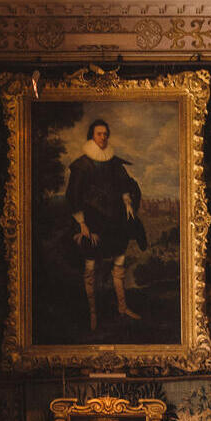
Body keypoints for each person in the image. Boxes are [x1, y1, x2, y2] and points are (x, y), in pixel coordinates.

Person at [65, 119, 146, 331]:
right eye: (99, 134)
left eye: (105, 134)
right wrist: (81, 223)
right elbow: (73, 195)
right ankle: (93, 315)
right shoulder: (81, 165)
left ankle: (122, 307)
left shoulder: (113, 162)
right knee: (90, 266)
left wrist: (127, 200)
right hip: (92, 224)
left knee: (119, 262)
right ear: (92, 136)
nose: (103, 138)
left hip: (115, 223)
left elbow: (125, 183)